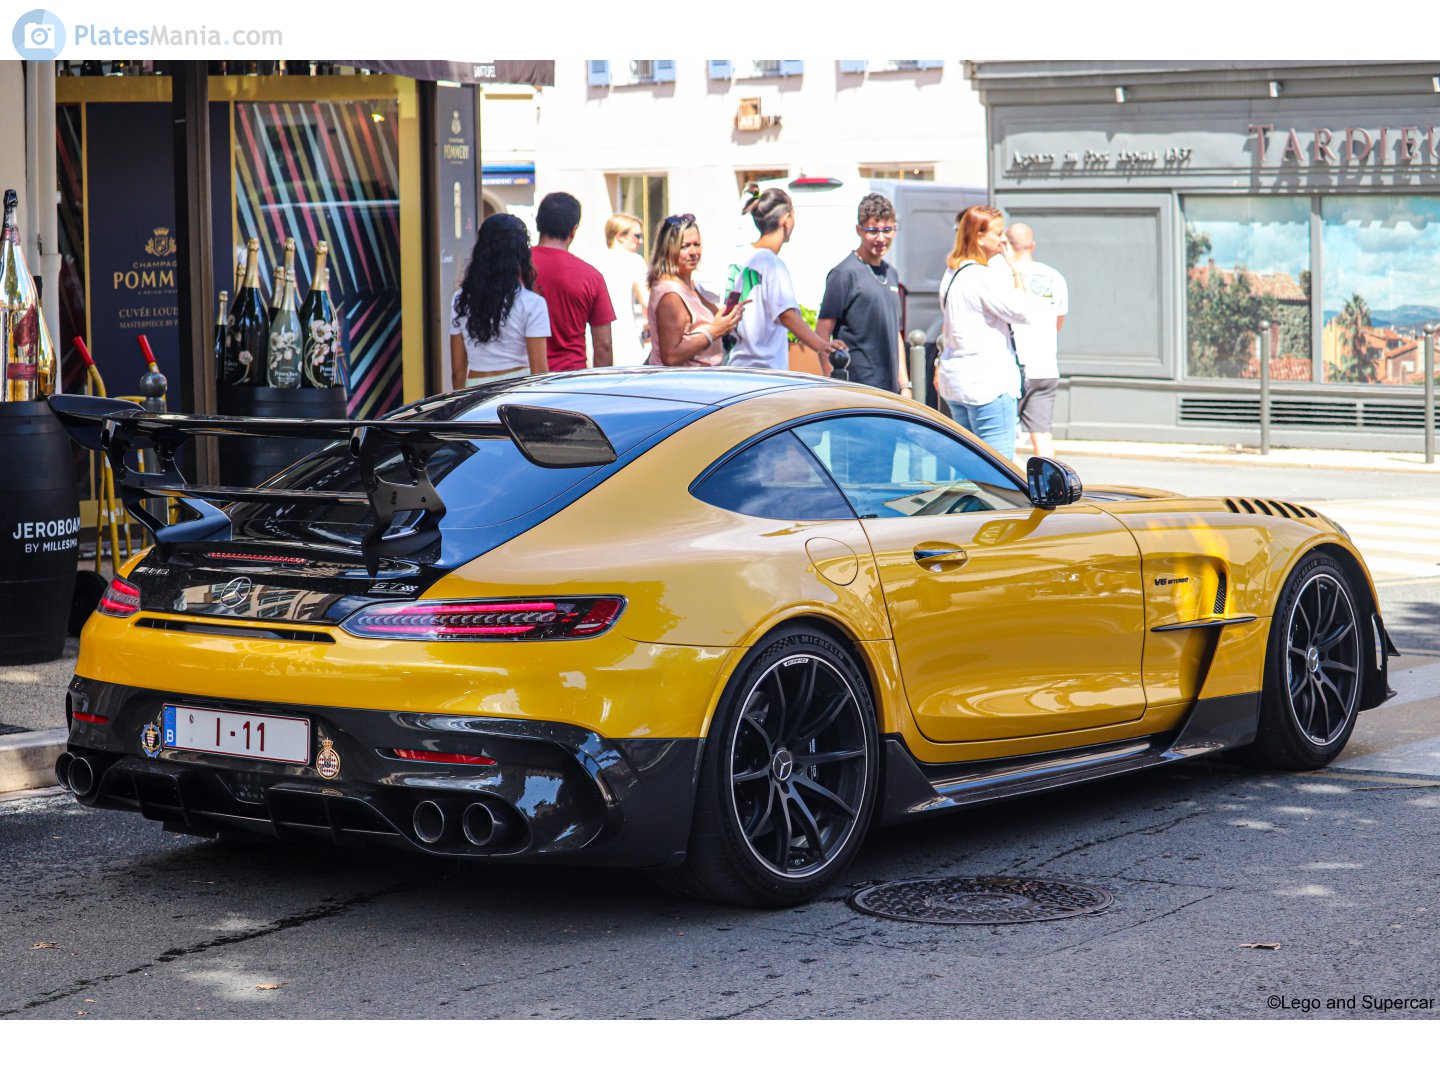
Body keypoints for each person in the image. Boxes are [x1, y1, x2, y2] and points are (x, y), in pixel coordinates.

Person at [935, 205, 1046, 462]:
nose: (1003, 239)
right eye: (998, 233)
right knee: (999, 467)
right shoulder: (981, 276)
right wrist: (1014, 268)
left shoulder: (952, 273)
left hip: (958, 379)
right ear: (978, 236)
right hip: (987, 381)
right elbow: (1023, 310)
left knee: (970, 466)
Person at [725, 184, 841, 370]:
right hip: (763, 374)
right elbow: (786, 315)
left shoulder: (744, 260)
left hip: (739, 368)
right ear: (786, 219)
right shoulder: (772, 264)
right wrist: (823, 346)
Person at [815, 193, 910, 397]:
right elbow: (822, 333)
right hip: (855, 390)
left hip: (890, 391)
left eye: (887, 230)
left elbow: (895, 334)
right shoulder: (843, 274)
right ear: (859, 230)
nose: (881, 238)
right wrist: (833, 385)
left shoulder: (891, 273)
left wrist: (905, 385)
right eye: (873, 231)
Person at [449, 213, 550, 388]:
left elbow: (457, 372)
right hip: (519, 391)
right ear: (521, 253)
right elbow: (539, 371)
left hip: (475, 390)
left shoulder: (461, 299)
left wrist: (459, 406)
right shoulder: (533, 303)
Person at [644, 213, 746, 366]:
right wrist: (713, 332)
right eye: (685, 246)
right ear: (667, 250)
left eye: (696, 244)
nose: (693, 252)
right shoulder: (671, 294)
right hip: (681, 385)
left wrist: (731, 315)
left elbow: (714, 319)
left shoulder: (689, 285)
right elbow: (671, 356)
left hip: (698, 382)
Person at [530, 192, 615, 371]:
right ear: (574, 229)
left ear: (538, 223)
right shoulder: (591, 277)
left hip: (525, 377)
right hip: (570, 379)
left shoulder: (515, 267)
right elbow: (604, 345)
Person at [1006, 222, 1069, 460]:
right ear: (1032, 245)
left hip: (1015, 366)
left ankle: (1019, 487)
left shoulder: (1004, 274)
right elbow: (1058, 323)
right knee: (1042, 436)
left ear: (1007, 246)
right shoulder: (1055, 276)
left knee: (1003, 440)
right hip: (1046, 366)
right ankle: (1053, 489)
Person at [597, 212, 650, 366]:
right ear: (620, 236)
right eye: (636, 236)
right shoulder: (634, 261)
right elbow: (646, 301)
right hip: (627, 339)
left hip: (597, 337)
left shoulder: (595, 260)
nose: (640, 241)